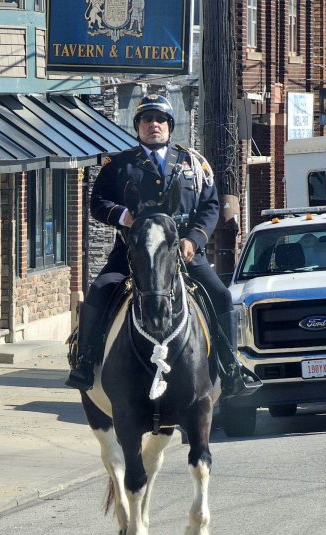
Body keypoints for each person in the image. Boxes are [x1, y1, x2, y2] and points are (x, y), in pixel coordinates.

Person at [66, 93, 259, 397]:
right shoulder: (119, 164)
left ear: (169, 125)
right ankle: (85, 361)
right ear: (138, 125)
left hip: (181, 252)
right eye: (146, 119)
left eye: (159, 119)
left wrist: (193, 240)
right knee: (100, 289)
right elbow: (97, 203)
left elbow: (209, 207)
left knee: (221, 295)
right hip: (133, 253)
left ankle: (230, 366)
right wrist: (124, 216)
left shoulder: (192, 163)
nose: (153, 124)